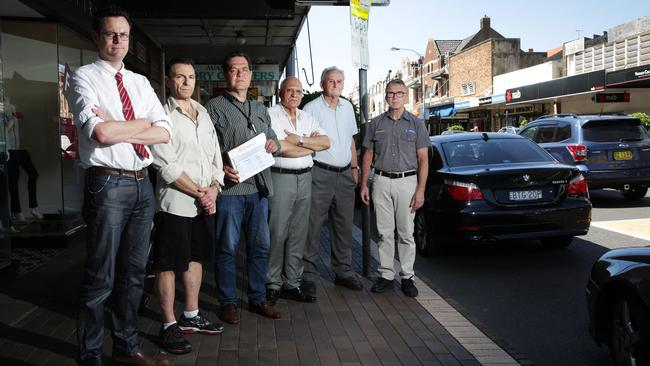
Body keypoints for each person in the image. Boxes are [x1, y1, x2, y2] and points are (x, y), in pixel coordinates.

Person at [64, 6, 172, 366]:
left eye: (123, 34)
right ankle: (91, 356)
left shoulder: (140, 83)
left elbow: (165, 133)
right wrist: (141, 125)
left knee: (134, 275)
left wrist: (125, 124)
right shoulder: (82, 78)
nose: (118, 40)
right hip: (107, 185)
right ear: (97, 37)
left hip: (143, 186)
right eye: (111, 34)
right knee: (101, 278)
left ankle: (127, 347)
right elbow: (100, 132)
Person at [150, 58, 225, 355]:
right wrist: (200, 192)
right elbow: (165, 165)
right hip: (176, 204)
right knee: (167, 263)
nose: (186, 82)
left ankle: (191, 315)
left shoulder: (204, 114)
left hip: (204, 203)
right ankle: (168, 324)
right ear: (169, 81)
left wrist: (215, 189)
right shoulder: (161, 116)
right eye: (179, 77)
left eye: (191, 77)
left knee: (196, 258)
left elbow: (215, 158)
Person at [205, 51, 281, 325]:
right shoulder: (213, 107)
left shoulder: (260, 109)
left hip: (259, 190)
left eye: (244, 69)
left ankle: (258, 298)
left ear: (251, 74)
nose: (239, 74)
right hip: (230, 192)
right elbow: (207, 148)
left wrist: (275, 145)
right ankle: (227, 303)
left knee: (260, 247)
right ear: (226, 75)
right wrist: (220, 167)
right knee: (227, 248)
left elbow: (272, 139)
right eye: (234, 70)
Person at [360, 79, 430, 298]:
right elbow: (368, 155)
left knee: (406, 233)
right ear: (386, 97)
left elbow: (423, 161)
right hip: (380, 181)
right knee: (383, 232)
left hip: (407, 182)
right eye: (390, 93)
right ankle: (386, 275)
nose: (394, 97)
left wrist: (420, 190)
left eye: (399, 93)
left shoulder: (417, 124)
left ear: (405, 96)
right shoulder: (376, 124)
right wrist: (363, 183)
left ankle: (407, 277)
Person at [266, 77, 330, 305]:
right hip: (280, 178)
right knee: (278, 232)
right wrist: (308, 147)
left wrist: (299, 140)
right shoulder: (271, 115)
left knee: (298, 234)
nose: (294, 94)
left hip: (305, 179)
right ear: (280, 92)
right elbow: (279, 149)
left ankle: (292, 283)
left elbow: (326, 142)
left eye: (298, 91)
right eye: (290, 90)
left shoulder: (307, 117)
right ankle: (272, 284)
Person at [302, 67, 363, 295]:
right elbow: (306, 143)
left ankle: (343, 272)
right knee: (313, 226)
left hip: (345, 174)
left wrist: (355, 168)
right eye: (331, 81)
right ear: (322, 84)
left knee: (344, 225)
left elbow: (350, 141)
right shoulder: (311, 108)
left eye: (339, 81)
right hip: (320, 173)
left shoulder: (347, 107)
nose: (335, 85)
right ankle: (307, 274)